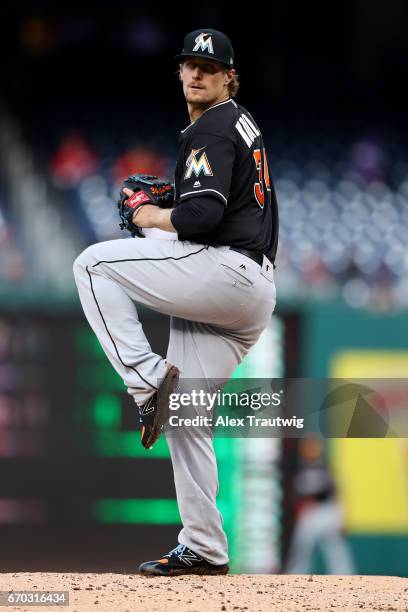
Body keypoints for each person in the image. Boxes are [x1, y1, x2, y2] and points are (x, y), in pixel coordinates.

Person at [73, 28, 279, 576]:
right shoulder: (240, 123)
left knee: (92, 264)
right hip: (249, 292)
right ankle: (206, 548)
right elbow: (208, 209)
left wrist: (147, 215)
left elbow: (198, 220)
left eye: (208, 68)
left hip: (228, 273)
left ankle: (143, 380)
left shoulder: (210, 125)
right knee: (186, 413)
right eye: (189, 65)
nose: (196, 74)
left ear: (229, 76)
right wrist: (174, 202)